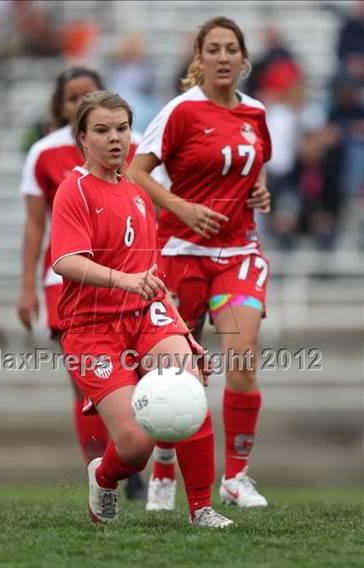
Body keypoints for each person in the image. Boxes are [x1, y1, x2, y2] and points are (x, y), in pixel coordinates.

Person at [51, 90, 233, 529]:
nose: (115, 139)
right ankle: (105, 476)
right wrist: (122, 280)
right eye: (102, 130)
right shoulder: (73, 190)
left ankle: (200, 508)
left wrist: (184, 334)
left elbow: (150, 275)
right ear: (82, 138)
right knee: (134, 444)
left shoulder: (136, 193)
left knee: (189, 387)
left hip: (146, 317)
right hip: (92, 328)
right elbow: (65, 261)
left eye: (122, 129)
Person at [129, 16, 272, 510]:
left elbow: (253, 167)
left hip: (238, 252)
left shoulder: (256, 113)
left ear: (244, 57)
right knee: (179, 372)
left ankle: (236, 476)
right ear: (199, 58)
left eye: (232, 48)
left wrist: (260, 190)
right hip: (180, 254)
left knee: (241, 357)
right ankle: (165, 465)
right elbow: (136, 171)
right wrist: (181, 207)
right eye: (214, 49)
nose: (224, 57)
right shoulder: (181, 112)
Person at [17, 67, 145, 499]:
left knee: (141, 372)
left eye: (87, 94)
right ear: (63, 108)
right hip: (67, 281)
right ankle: (102, 465)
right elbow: (36, 226)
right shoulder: (44, 154)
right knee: (86, 381)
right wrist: (26, 287)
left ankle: (128, 451)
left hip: (131, 279)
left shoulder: (134, 147)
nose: (79, 102)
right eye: (72, 98)